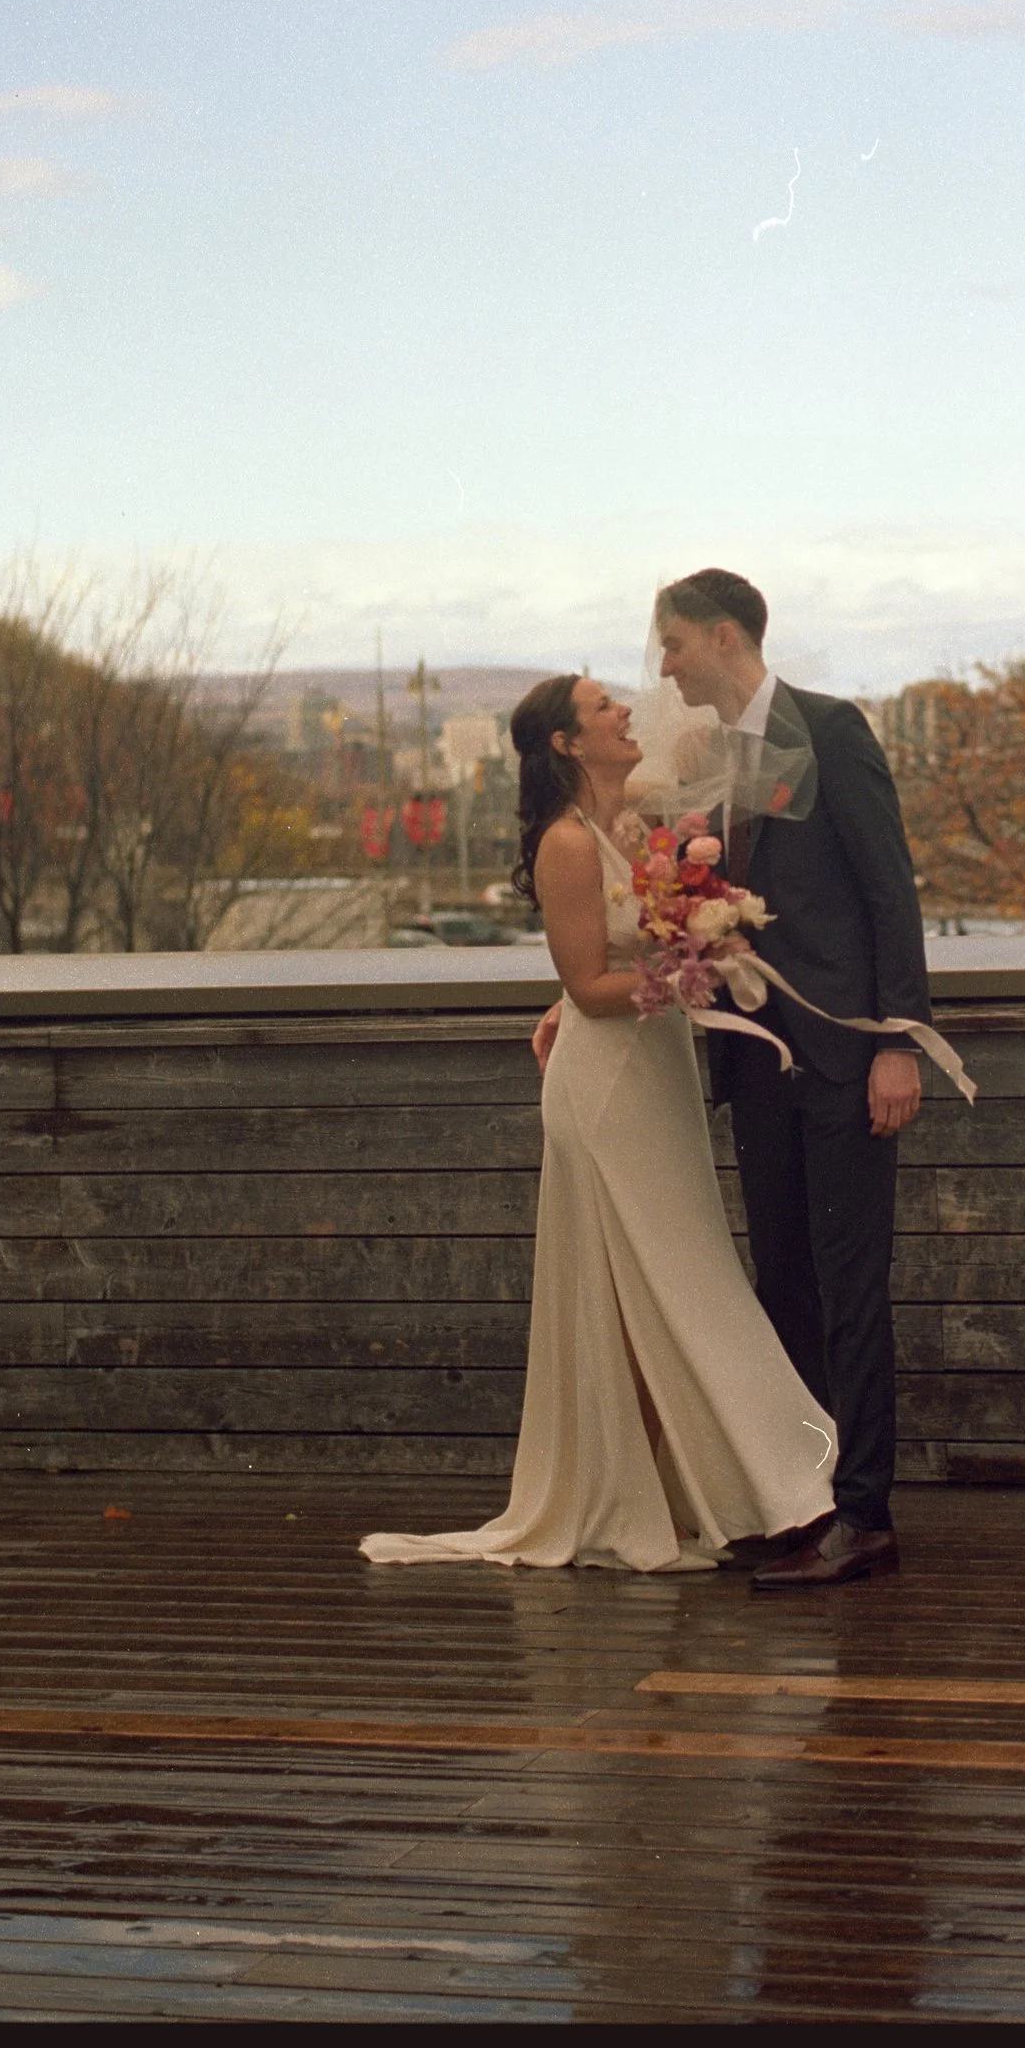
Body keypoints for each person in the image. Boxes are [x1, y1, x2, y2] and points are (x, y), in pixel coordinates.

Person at [359, 670, 837, 1576]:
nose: (626, 711)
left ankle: (680, 1491)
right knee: (670, 1281)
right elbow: (589, 986)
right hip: (610, 1085)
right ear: (567, 745)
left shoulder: (631, 825)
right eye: (602, 708)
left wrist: (695, 937)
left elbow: (697, 786)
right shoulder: (568, 845)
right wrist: (688, 973)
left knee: (664, 1283)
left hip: (652, 1077)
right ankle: (774, 1488)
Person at [650, 567, 929, 1588]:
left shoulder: (832, 729)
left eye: (675, 643)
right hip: (755, 1066)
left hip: (846, 1058)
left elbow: (888, 892)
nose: (664, 664)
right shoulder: (709, 764)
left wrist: (897, 1041)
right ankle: (800, 1504)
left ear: (725, 636)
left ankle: (866, 1514)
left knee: (851, 1282)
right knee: (785, 1285)